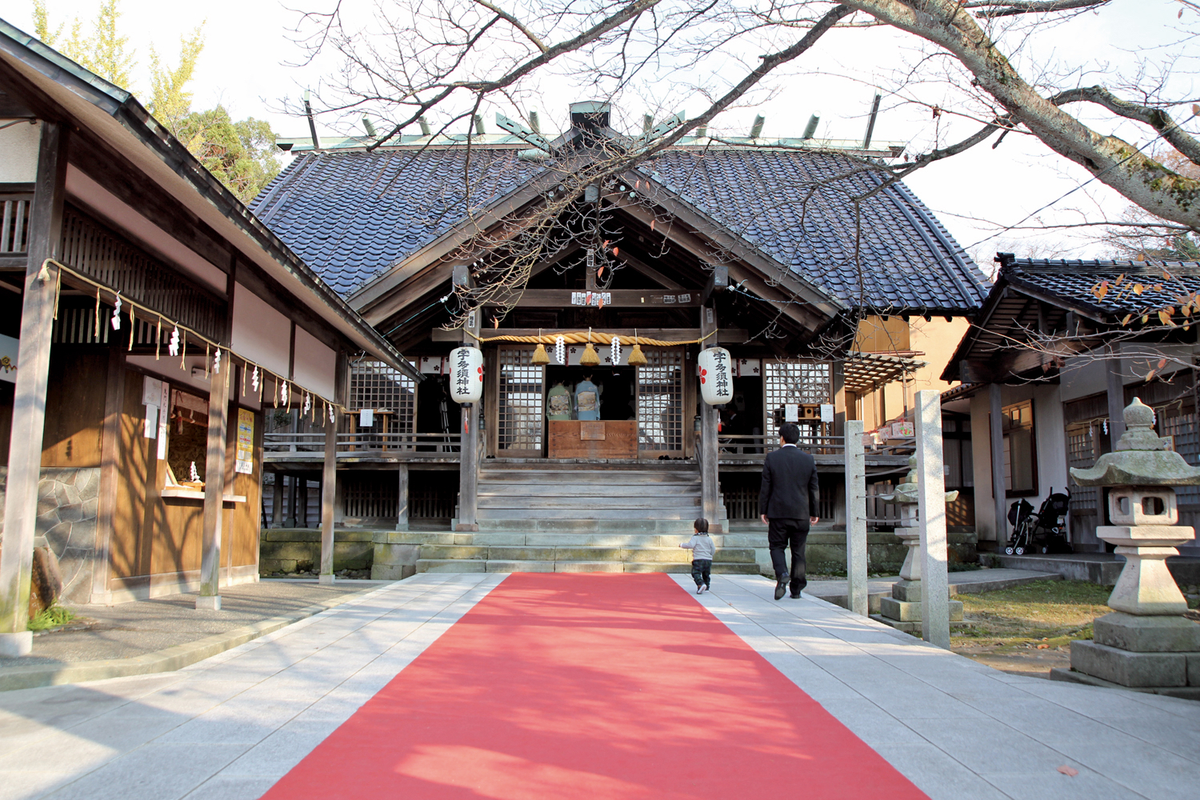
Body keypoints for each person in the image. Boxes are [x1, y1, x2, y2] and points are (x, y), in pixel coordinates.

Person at [759, 422, 819, 600]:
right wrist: (814, 511)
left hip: (778, 512)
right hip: (801, 513)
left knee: (777, 546)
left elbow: (766, 486)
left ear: (782, 438)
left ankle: (782, 573)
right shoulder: (808, 459)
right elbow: (813, 488)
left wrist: (764, 509)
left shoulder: (772, 458)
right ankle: (797, 588)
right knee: (798, 550)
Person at [679, 518, 715, 594]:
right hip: (708, 560)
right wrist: (710, 555)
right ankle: (707, 586)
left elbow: (690, 545)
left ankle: (700, 584)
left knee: (696, 573)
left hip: (698, 559)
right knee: (706, 574)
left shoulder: (695, 538)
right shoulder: (709, 539)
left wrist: (682, 545)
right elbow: (713, 549)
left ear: (696, 529)